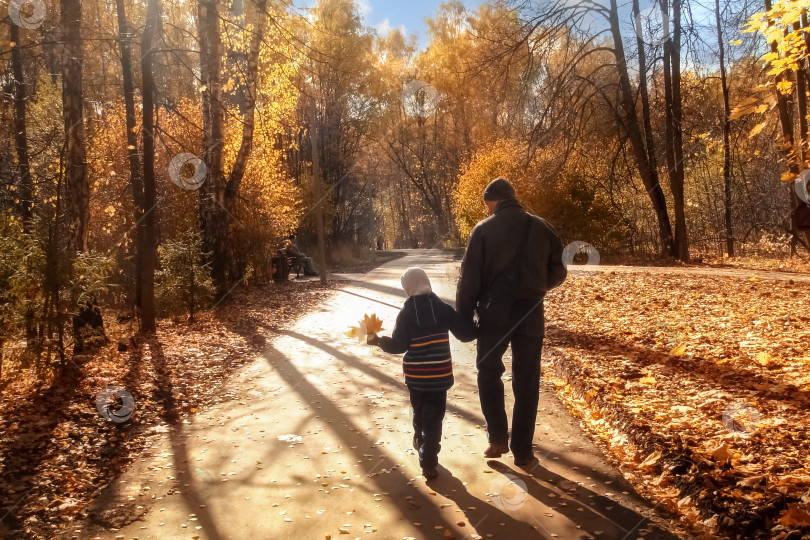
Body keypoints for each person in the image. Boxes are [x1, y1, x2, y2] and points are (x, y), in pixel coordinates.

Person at [456, 177, 567, 467]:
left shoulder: (483, 230)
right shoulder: (542, 227)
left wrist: (464, 320)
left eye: (487, 206)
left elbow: (469, 280)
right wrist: (539, 286)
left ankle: (496, 438)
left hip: (495, 313)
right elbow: (559, 269)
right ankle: (523, 450)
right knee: (527, 380)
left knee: (489, 371)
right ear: (513, 198)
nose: (488, 211)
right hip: (531, 309)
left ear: (492, 201)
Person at [368, 267, 476, 479]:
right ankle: (428, 454)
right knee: (435, 418)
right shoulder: (442, 309)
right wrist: (479, 325)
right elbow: (464, 333)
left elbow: (399, 345)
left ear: (408, 288)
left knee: (420, 413)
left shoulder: (406, 313)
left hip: (417, 378)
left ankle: (425, 454)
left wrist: (378, 340)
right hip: (440, 376)